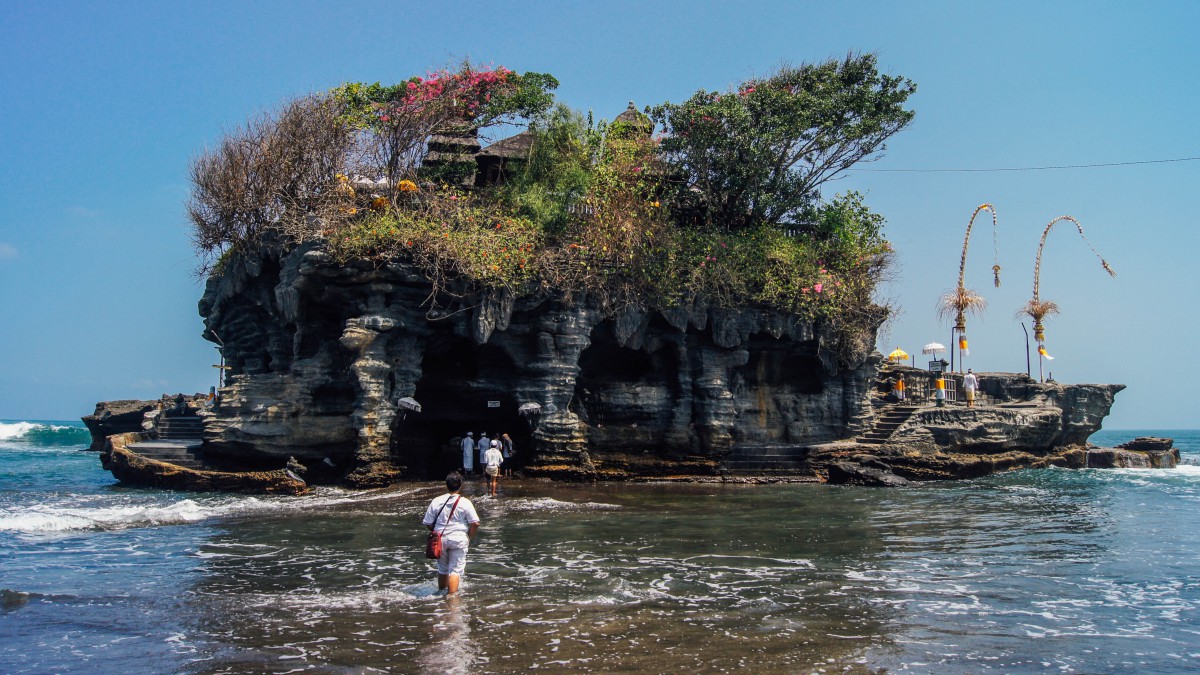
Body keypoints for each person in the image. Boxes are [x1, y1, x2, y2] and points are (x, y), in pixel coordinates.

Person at [422, 472, 480, 595]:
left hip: (440, 538)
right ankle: (452, 600)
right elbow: (475, 523)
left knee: (442, 570)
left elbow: (428, 522)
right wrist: (469, 536)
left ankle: (441, 596)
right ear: (461, 486)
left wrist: (436, 532)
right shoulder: (465, 502)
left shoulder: (436, 501)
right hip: (459, 538)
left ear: (446, 485)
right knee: (455, 570)